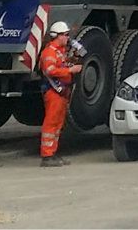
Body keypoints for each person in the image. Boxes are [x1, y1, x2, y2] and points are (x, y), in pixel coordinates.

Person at [37, 20, 82, 167]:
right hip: (53, 91)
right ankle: (47, 155)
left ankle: (52, 152)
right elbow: (50, 71)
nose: (68, 38)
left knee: (58, 123)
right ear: (58, 36)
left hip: (61, 91)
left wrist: (73, 60)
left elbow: (61, 64)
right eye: (66, 35)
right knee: (51, 123)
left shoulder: (59, 51)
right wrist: (70, 70)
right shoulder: (49, 52)